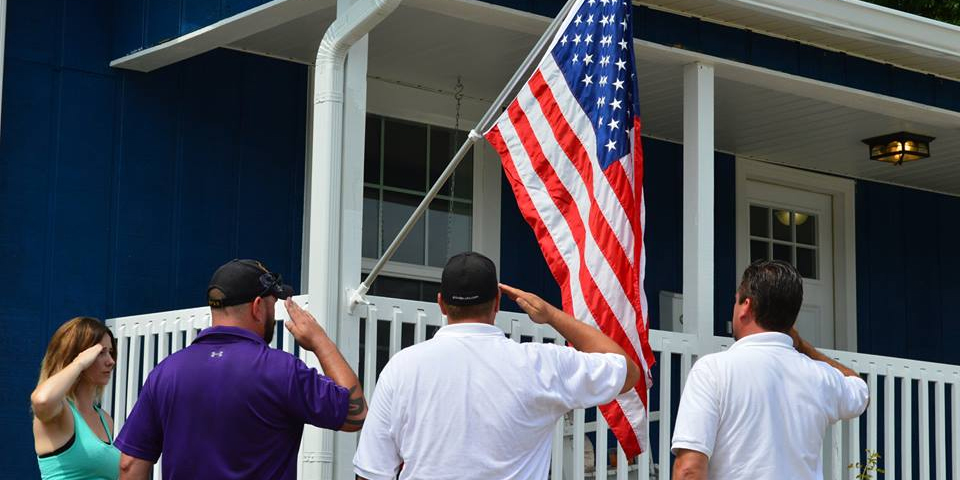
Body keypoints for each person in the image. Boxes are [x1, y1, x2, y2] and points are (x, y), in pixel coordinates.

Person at [353, 251, 641, 480]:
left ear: (441, 303)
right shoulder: (541, 364)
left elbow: (371, 473)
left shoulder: (401, 367)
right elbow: (628, 372)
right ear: (498, 302)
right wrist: (551, 314)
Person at [115, 259, 367, 479]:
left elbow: (130, 464)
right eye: (272, 304)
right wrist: (320, 341)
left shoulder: (166, 372)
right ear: (257, 306)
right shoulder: (281, 370)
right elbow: (355, 415)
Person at [671, 260, 869, 479]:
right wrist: (803, 347)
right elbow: (860, 389)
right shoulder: (820, 376)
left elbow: (689, 469)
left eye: (736, 301)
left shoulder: (712, 370)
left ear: (746, 305)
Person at [32, 316, 119, 480]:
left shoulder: (105, 419)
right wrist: (79, 363)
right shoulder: (59, 413)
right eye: (100, 353)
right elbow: (42, 400)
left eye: (111, 352)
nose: (111, 361)